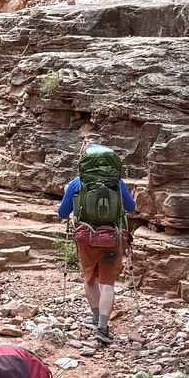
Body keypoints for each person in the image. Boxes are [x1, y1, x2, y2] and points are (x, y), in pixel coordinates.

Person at [57, 136, 136, 349]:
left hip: (87, 239)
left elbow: (62, 212)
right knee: (107, 283)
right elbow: (130, 208)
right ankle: (103, 327)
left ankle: (94, 319)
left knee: (90, 277)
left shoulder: (77, 182)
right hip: (113, 240)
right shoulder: (117, 183)